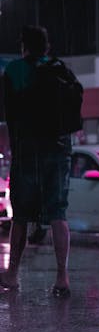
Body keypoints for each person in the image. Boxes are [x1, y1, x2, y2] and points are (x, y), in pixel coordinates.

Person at [0, 25, 72, 296]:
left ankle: (12, 274)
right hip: (60, 148)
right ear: (47, 46)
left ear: (24, 46)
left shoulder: (15, 70)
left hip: (29, 149)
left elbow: (11, 114)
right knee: (58, 212)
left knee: (21, 215)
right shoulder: (59, 68)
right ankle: (62, 277)